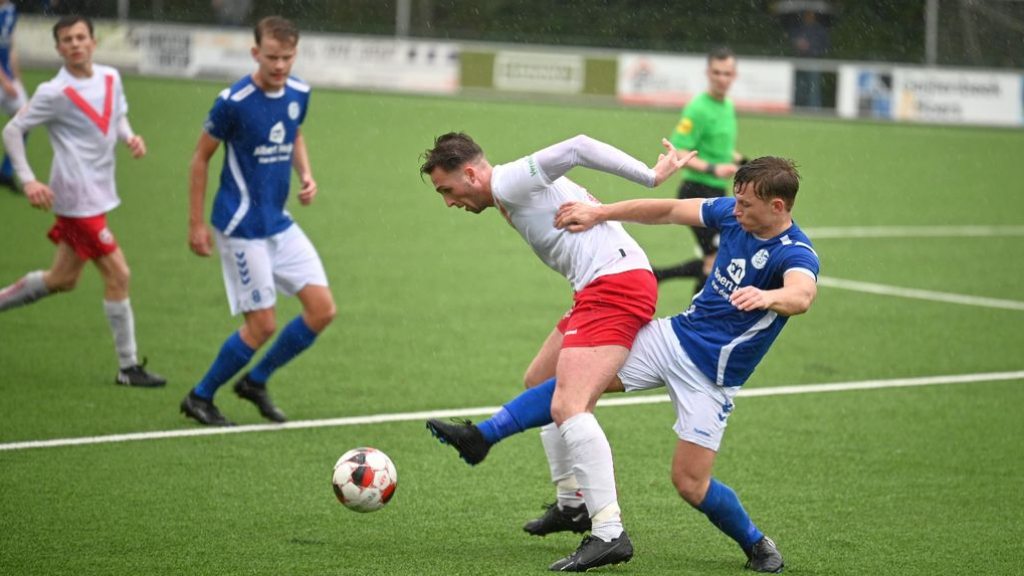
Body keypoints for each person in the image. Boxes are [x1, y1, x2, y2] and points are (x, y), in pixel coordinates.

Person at [429, 157, 819, 573]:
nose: (736, 210)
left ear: (778, 207)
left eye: (746, 206)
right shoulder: (731, 213)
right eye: (736, 202)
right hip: (673, 338)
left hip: (713, 377)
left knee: (690, 483)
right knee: (574, 384)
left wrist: (767, 298)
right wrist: (602, 211)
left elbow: (802, 295)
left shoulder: (794, 253)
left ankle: (757, 543)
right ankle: (485, 436)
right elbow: (667, 211)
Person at [420, 132, 690, 572]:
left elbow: (578, 146)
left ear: (470, 173)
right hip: (599, 286)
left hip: (616, 284)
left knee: (569, 405)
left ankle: (609, 532)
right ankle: (572, 505)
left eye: (447, 190)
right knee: (539, 381)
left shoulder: (506, 182)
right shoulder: (505, 193)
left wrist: (650, 176)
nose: (449, 202)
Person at [181, 16, 335, 427]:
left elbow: (294, 133)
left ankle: (255, 381)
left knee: (322, 311)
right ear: (255, 53)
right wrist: (196, 224)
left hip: (277, 221)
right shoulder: (233, 101)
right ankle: (199, 396)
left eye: (286, 57)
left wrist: (306, 174)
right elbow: (200, 158)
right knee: (262, 324)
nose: (280, 65)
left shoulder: (300, 92)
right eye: (271, 57)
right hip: (240, 225)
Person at [0, 15, 166, 387]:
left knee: (62, 279)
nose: (75, 44)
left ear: (93, 41)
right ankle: (128, 367)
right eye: (66, 40)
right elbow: (13, 131)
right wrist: (28, 181)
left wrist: (130, 137)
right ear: (58, 48)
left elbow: (117, 115)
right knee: (119, 274)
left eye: (80, 37)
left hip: (100, 191)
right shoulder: (53, 91)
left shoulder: (110, 77)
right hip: (76, 198)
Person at [653, 47, 746, 296]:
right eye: (716, 72)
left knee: (717, 258)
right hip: (695, 191)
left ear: (734, 75)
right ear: (708, 73)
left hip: (717, 192)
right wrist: (713, 168)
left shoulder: (727, 106)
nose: (722, 78)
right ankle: (695, 317)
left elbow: (722, 146)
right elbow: (679, 150)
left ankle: (658, 275)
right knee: (717, 259)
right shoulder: (698, 108)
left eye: (727, 73)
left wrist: (742, 161)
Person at [0, 0, 28, 191]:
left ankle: (6, 172)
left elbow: (10, 44)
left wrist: (17, 78)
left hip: (8, 78)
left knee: (26, 119)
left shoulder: (10, 10)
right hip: (3, 80)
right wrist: (5, 81)